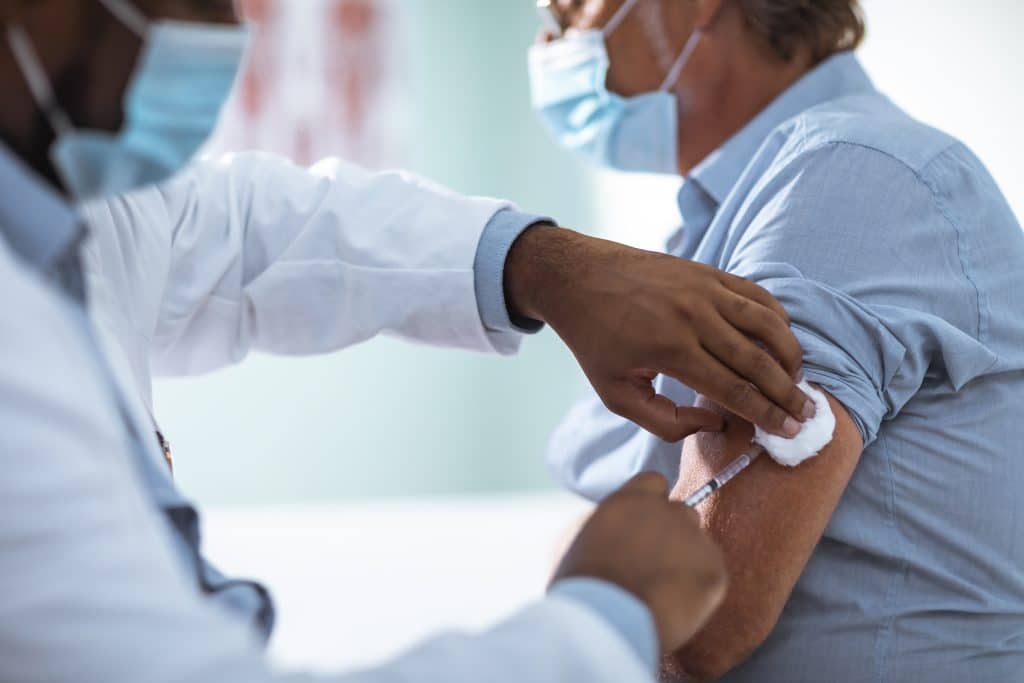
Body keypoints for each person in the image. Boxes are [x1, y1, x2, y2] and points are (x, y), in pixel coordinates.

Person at [0, 0, 816, 681]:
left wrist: (540, 265)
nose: (226, 30)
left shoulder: (61, 208)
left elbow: (247, 227)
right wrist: (601, 623)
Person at [538, 0, 1024, 680]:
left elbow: (700, 614)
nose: (547, 39)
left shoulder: (846, 178)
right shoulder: (729, 219)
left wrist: (581, 564)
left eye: (569, 11)